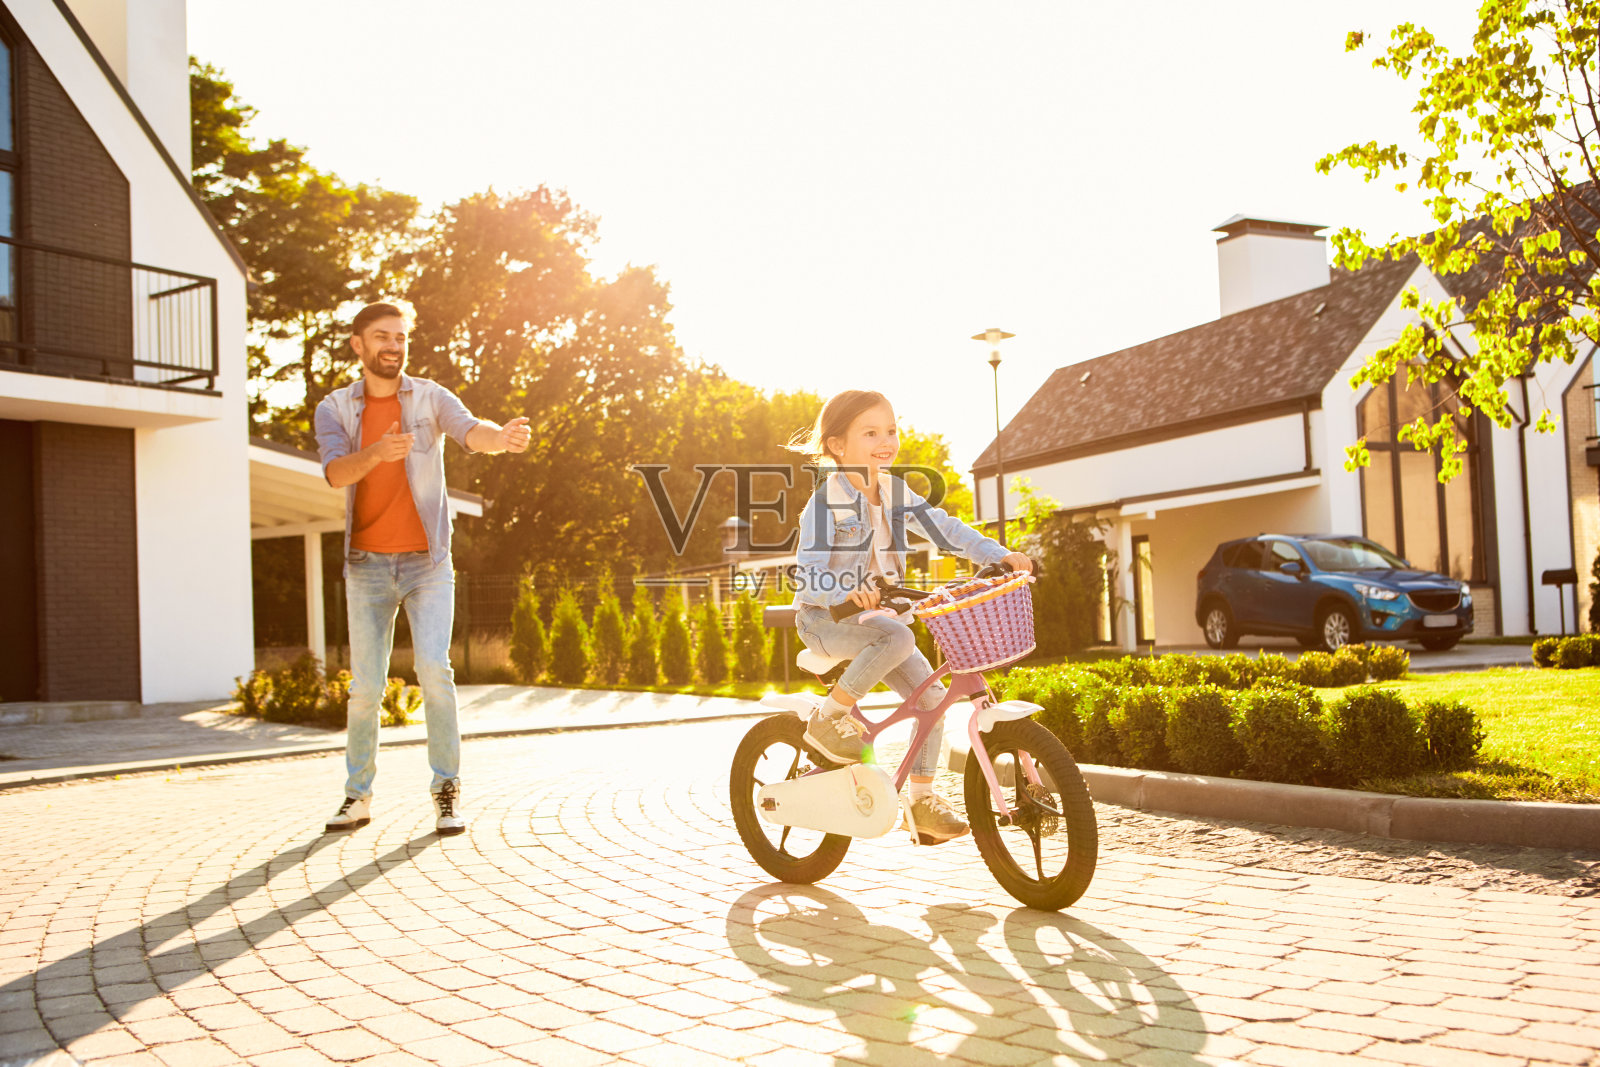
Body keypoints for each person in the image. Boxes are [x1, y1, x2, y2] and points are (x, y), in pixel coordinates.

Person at [314, 302, 530, 836]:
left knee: (435, 671)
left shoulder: (430, 396)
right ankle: (357, 796)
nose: (393, 345)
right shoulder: (336, 408)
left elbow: (468, 428)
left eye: (401, 337)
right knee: (365, 687)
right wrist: (378, 453)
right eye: (382, 336)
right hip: (365, 566)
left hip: (427, 564)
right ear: (358, 345)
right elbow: (336, 473)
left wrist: (497, 439)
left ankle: (446, 790)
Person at [786, 389, 1031, 844]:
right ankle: (828, 718)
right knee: (897, 640)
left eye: (892, 430)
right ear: (838, 446)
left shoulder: (896, 492)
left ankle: (920, 800)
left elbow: (947, 530)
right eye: (871, 432)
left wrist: (1000, 555)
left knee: (933, 697)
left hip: (880, 623)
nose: (886, 440)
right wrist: (847, 589)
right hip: (825, 622)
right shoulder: (826, 504)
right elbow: (806, 579)